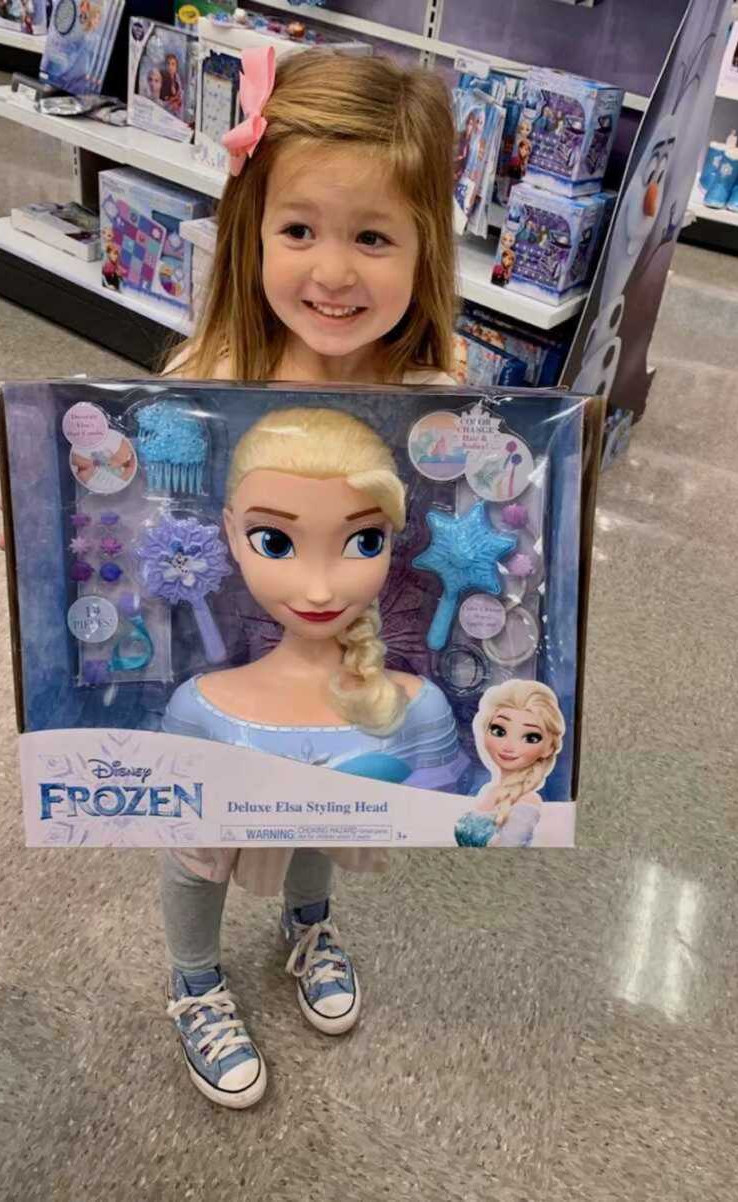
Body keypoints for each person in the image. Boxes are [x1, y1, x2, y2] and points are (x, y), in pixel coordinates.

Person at [162, 47, 458, 1109]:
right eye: (301, 231)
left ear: (426, 252)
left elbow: (456, 549)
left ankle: (307, 920)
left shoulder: (438, 407)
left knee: (333, 800)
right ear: (253, 233)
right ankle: (194, 979)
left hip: (348, 669)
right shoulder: (202, 388)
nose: (333, 272)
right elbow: (141, 531)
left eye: (373, 237)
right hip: (225, 671)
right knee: (201, 835)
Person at [454, 680, 565, 849]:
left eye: (530, 738)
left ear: (548, 748)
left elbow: (508, 852)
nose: (509, 746)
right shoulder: (487, 790)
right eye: (499, 731)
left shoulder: (527, 801)